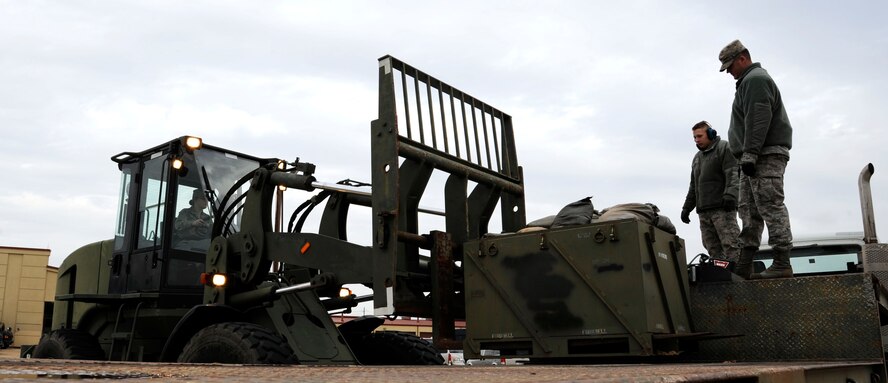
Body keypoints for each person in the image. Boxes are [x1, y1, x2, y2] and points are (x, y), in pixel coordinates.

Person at [719, 39, 794, 279]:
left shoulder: (755, 80)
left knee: (770, 206)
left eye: (730, 66)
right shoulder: (747, 82)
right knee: (749, 212)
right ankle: (744, 265)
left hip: (764, 154)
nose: (729, 72)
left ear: (743, 58)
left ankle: (782, 262)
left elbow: (759, 118)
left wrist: (751, 153)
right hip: (752, 157)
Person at [681, 121, 741, 265]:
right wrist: (687, 208)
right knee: (712, 248)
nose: (697, 140)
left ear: (710, 134)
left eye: (699, 136)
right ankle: (720, 276)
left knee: (731, 244)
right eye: (694, 137)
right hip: (704, 212)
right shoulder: (697, 158)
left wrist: (731, 195)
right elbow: (693, 186)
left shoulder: (724, 148)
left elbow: (733, 173)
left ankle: (740, 277)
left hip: (722, 208)